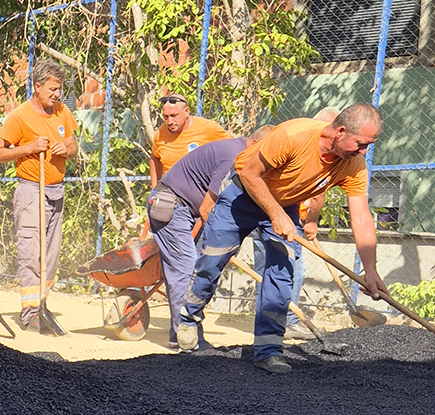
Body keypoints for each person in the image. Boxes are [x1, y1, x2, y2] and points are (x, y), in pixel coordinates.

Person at [176, 104, 390, 373]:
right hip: (241, 196)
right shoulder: (293, 136)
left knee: (282, 273)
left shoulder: (353, 165)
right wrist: (275, 214)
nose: (363, 152)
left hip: (286, 204)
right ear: (340, 131)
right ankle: (189, 317)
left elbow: (361, 217)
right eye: (360, 144)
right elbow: (249, 173)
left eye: (368, 145)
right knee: (212, 261)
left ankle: (268, 351)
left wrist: (370, 270)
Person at [0, 60, 80, 330]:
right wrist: (28, 148)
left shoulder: (62, 111)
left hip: (56, 190)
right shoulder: (19, 116)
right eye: (52, 89)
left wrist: (66, 150)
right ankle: (29, 314)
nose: (57, 94)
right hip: (31, 190)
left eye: (59, 89)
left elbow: (74, 146)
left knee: (51, 254)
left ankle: (42, 305)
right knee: (31, 252)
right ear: (37, 86)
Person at [147, 132, 253, 348]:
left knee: (195, 269)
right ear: (257, 143)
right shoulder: (233, 157)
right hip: (170, 204)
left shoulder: (239, 152)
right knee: (185, 270)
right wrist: (219, 244)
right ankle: (186, 339)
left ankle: (181, 335)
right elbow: (207, 209)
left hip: (187, 210)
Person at [251, 107, 337, 331]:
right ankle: (288, 322)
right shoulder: (319, 155)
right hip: (286, 219)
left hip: (261, 209)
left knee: (265, 269)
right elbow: (318, 194)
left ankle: (266, 323)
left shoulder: (296, 139)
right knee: (292, 269)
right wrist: (311, 221)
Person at [149, 92, 229, 186]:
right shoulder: (159, 134)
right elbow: (155, 158)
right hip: (171, 190)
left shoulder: (207, 128)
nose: (169, 122)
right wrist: (154, 189)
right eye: (166, 117)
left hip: (202, 188)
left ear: (186, 111)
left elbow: (233, 147)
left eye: (174, 115)